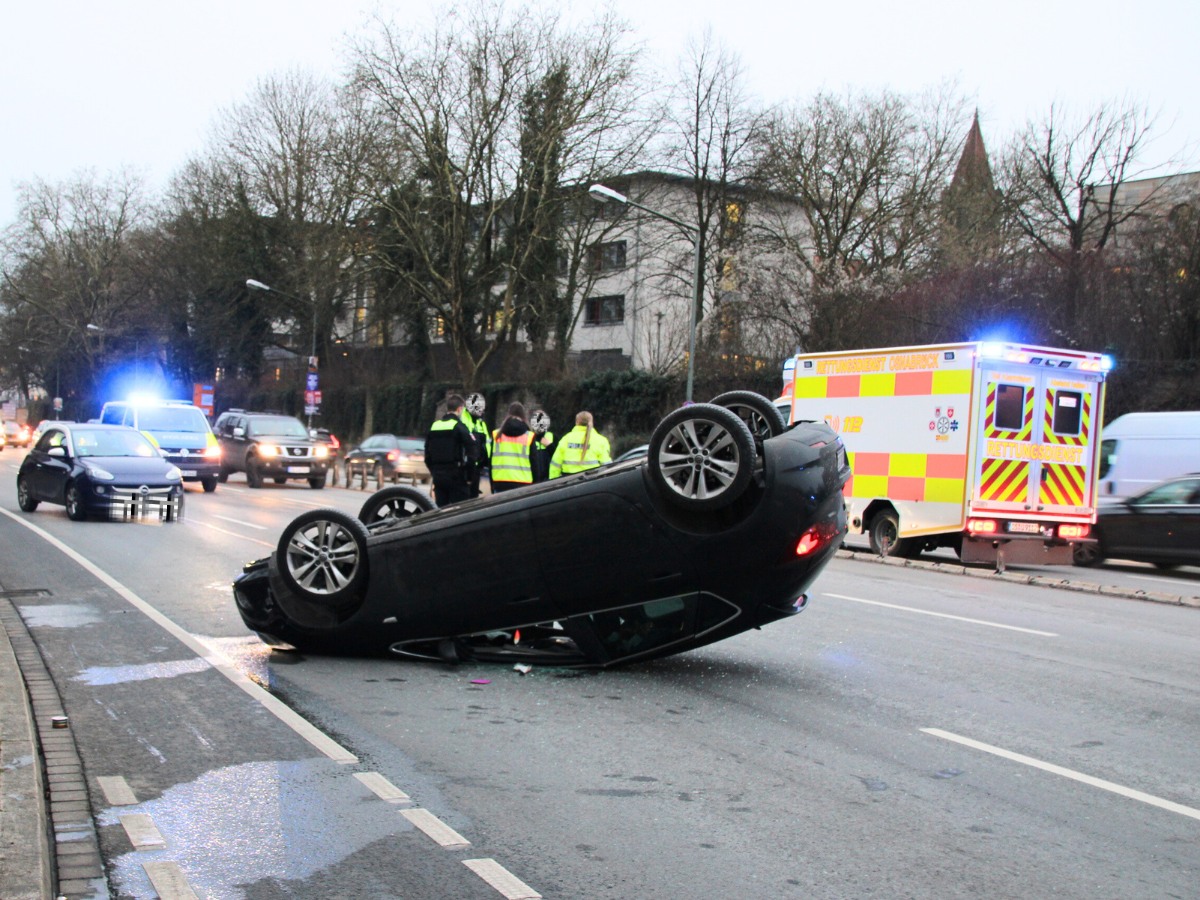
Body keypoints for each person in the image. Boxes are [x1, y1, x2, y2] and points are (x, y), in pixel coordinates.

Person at [425, 394, 477, 507]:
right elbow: (472, 453)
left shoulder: (434, 426)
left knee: (441, 510)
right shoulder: (460, 427)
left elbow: (427, 456)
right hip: (456, 476)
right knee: (459, 512)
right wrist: (469, 477)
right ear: (459, 409)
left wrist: (434, 471)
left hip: (438, 476)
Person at [490, 402, 537, 493]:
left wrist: (492, 484)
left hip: (500, 481)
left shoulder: (496, 435)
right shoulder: (529, 436)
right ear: (523, 415)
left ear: (508, 414)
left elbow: (490, 461)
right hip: (523, 483)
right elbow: (534, 464)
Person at [549, 411, 611, 479]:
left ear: (576, 422)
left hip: (568, 482)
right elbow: (606, 465)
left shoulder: (566, 439)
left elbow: (555, 464)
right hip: (593, 481)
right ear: (591, 422)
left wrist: (554, 482)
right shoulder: (601, 440)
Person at [459, 392, 492, 498]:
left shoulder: (481, 423)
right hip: (464, 466)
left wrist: (487, 460)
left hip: (477, 467)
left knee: (473, 499)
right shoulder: (462, 419)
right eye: (480, 408)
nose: (482, 411)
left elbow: (486, 443)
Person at [528, 409, 555, 483]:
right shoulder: (529, 437)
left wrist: (550, 446)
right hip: (532, 480)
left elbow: (557, 457)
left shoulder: (551, 436)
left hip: (548, 479)